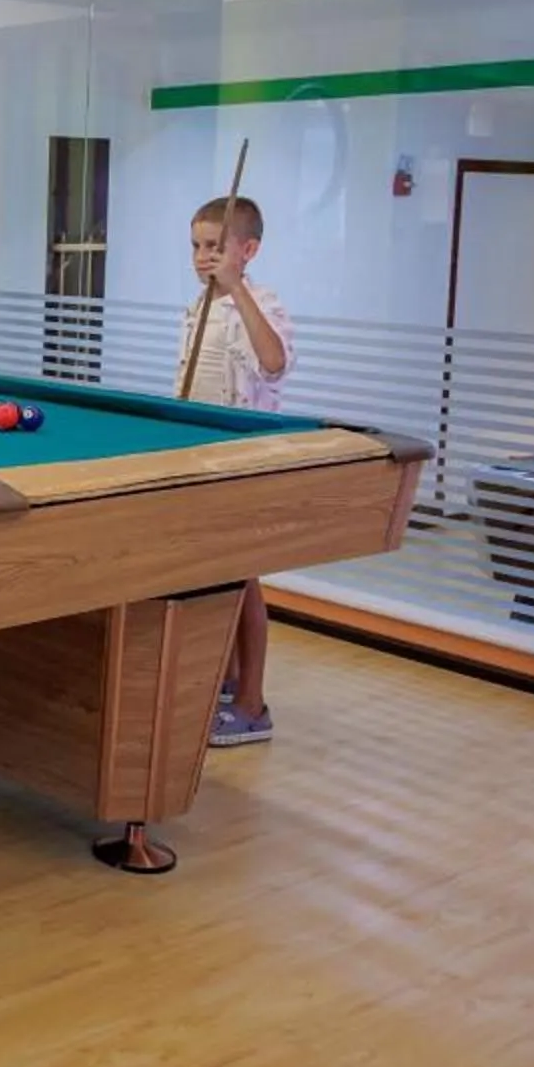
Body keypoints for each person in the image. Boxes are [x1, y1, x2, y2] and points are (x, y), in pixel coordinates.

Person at [181, 194, 295, 748]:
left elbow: (273, 363)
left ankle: (252, 705)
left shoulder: (261, 303)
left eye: (216, 246)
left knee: (243, 578)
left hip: (244, 462)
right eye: (197, 246)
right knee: (218, 577)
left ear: (248, 251)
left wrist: (237, 290)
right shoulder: (197, 307)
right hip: (201, 457)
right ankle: (226, 684)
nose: (203, 257)